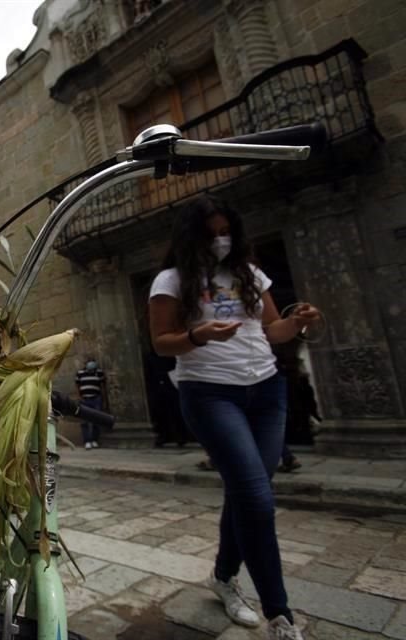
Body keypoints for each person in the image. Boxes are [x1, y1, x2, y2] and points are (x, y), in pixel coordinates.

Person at [148, 196, 320, 640]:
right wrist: (196, 335)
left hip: (266, 390)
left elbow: (272, 329)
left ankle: (224, 577)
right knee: (257, 498)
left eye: (227, 232)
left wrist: (298, 321)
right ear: (193, 235)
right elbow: (162, 342)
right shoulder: (171, 280)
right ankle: (281, 616)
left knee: (249, 494)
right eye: (212, 233)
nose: (221, 241)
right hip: (209, 395)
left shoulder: (249, 273)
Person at [75, 359, 106, 449]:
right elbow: (77, 385)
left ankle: (94, 440)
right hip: (84, 399)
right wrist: (79, 397)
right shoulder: (80, 373)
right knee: (84, 421)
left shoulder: (99, 373)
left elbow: (102, 386)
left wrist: (103, 399)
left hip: (96, 398)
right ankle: (87, 441)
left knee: (96, 419)